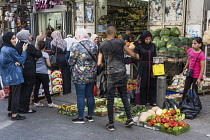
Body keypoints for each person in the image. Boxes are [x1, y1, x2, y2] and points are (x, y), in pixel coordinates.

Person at [97, 25, 137, 131]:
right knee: (124, 96)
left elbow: (99, 62)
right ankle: (129, 118)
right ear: (114, 33)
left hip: (111, 74)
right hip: (122, 72)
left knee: (110, 99)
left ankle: (111, 124)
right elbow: (131, 53)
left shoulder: (102, 45)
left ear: (106, 33)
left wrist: (104, 66)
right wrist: (137, 56)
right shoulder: (120, 42)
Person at [69, 28, 98, 124]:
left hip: (79, 75)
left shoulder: (76, 46)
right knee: (90, 95)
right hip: (92, 74)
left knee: (80, 96)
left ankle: (80, 117)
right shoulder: (94, 45)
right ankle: (90, 116)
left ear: (78, 35)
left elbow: (71, 61)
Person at [0, 32, 28, 120]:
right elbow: (22, 60)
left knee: (12, 93)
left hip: (9, 74)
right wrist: (24, 51)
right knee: (16, 94)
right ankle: (14, 114)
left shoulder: (3, 48)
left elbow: (5, 62)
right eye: (12, 38)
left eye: (15, 38)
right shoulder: (10, 49)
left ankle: (10, 111)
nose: (15, 40)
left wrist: (13, 62)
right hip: (15, 74)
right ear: (8, 39)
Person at [16, 30, 42, 114]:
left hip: (21, 70)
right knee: (27, 90)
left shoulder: (18, 45)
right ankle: (25, 108)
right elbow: (38, 54)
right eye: (29, 34)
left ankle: (19, 106)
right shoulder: (28, 45)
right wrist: (37, 42)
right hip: (29, 70)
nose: (31, 36)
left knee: (22, 90)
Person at [133, 31, 157, 106]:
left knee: (152, 84)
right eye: (146, 39)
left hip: (152, 66)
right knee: (143, 84)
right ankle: (142, 101)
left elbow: (155, 55)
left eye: (150, 39)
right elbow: (136, 55)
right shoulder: (139, 46)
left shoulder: (153, 45)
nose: (148, 41)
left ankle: (152, 100)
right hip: (143, 66)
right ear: (143, 39)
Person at [33, 41, 58, 108]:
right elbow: (49, 64)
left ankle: (36, 101)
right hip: (43, 72)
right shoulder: (45, 54)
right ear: (45, 47)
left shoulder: (35, 54)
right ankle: (50, 103)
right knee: (46, 87)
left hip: (36, 72)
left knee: (36, 87)